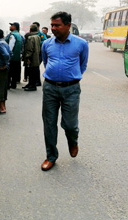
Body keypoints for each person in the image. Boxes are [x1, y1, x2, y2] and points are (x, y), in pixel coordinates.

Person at [40, 11, 89, 171]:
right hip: (50, 88)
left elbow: (83, 65)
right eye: (52, 25)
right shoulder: (46, 44)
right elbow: (46, 63)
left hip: (71, 89)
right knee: (49, 123)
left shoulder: (81, 44)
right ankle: (51, 156)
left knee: (70, 124)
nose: (53, 28)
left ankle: (72, 141)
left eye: (57, 25)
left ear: (68, 26)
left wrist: (71, 77)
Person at [23, 24, 41, 91]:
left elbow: (30, 49)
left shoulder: (31, 38)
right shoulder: (38, 36)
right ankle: (30, 84)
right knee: (33, 71)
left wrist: (28, 57)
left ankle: (32, 85)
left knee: (31, 72)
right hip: (36, 56)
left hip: (31, 58)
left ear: (30, 29)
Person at [5, 22, 22, 89]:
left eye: (11, 26)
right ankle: (13, 85)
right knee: (15, 72)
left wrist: (7, 55)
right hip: (17, 57)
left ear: (14, 27)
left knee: (9, 72)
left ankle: (8, 85)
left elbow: (10, 47)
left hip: (12, 57)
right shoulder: (19, 35)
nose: (10, 27)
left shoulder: (12, 35)